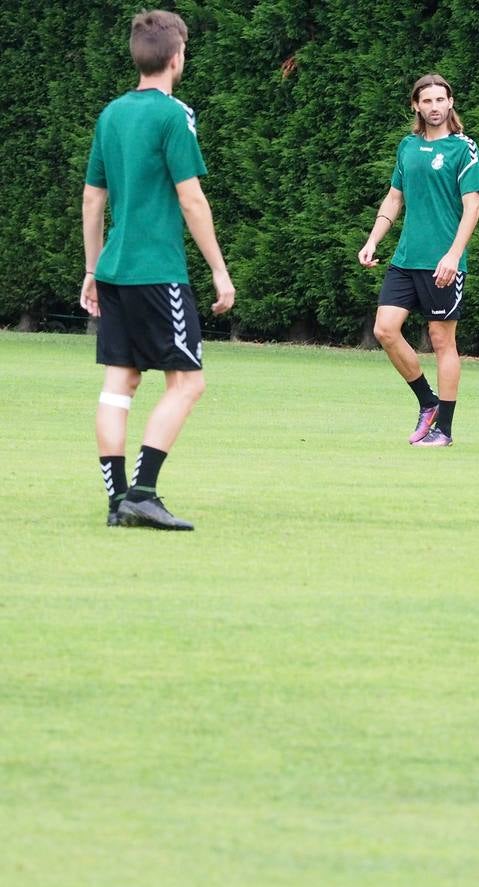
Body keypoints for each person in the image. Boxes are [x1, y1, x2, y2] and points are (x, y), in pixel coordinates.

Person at [81, 9, 235, 530]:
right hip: (157, 272)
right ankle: (142, 493)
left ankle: (116, 501)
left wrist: (90, 270)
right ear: (176, 58)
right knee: (188, 384)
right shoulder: (174, 115)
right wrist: (219, 270)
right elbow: (191, 199)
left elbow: (92, 199)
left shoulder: (111, 115)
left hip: (115, 270)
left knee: (118, 384)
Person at [359, 74, 479, 448]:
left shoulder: (464, 148)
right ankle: (427, 402)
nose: (433, 107)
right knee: (384, 329)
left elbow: (472, 206)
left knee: (442, 341)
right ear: (415, 105)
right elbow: (394, 198)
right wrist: (372, 239)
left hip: (443, 264)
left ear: (450, 103)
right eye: (426, 101)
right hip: (406, 259)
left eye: (439, 100)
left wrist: (453, 254)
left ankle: (443, 429)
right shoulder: (408, 147)